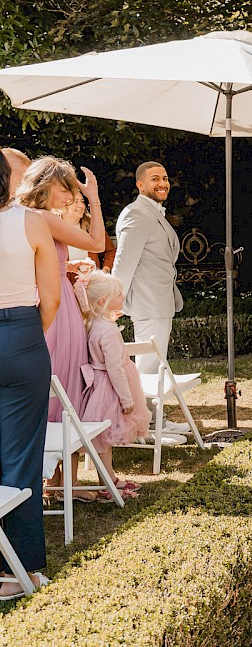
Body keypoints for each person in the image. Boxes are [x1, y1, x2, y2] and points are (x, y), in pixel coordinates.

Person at [17, 156, 107, 501]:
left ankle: (57, 481)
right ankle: (57, 480)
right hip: (54, 307)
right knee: (62, 385)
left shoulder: (21, 215)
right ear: (45, 184)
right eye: (65, 187)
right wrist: (94, 198)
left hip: (48, 300)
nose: (70, 196)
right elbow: (97, 243)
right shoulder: (42, 218)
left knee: (62, 384)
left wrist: (65, 265)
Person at [0, 152, 59, 599]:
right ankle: (16, 572)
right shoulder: (33, 222)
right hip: (20, 333)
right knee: (21, 455)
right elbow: (51, 299)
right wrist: (26, 338)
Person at [75, 270, 148, 500]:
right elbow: (115, 369)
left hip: (99, 385)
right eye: (118, 294)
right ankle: (107, 483)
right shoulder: (107, 330)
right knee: (106, 439)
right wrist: (127, 399)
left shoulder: (94, 325)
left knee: (104, 438)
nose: (122, 296)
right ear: (102, 302)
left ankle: (109, 478)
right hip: (110, 388)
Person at [112, 162, 183, 374]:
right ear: (140, 185)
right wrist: (114, 300)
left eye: (165, 178)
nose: (162, 183)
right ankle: (144, 398)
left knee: (156, 365)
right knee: (148, 368)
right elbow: (124, 262)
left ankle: (151, 398)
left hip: (159, 303)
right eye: (155, 179)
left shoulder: (151, 212)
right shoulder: (136, 213)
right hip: (148, 302)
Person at [60, 189, 116, 273]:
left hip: (92, 279)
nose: (81, 205)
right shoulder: (53, 228)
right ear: (63, 204)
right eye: (76, 201)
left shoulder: (92, 226)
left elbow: (110, 251)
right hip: (63, 280)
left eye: (82, 201)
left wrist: (104, 270)